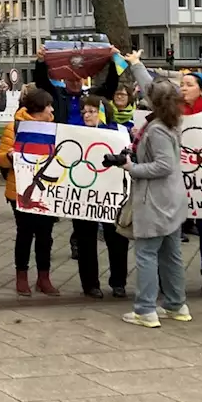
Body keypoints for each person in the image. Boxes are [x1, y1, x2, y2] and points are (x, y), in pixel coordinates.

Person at [130, 61, 202, 296]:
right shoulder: (171, 115)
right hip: (177, 183)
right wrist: (137, 66)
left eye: (189, 85)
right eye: (181, 84)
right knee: (171, 244)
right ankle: (169, 291)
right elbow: (153, 91)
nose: (183, 88)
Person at [119, 68, 191, 328]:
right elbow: (155, 89)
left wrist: (132, 168)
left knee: (147, 254)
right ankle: (175, 304)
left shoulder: (157, 129)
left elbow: (164, 165)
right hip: (171, 200)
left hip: (155, 200)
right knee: (171, 254)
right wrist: (137, 66)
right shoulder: (171, 121)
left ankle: (145, 309)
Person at [0, 87, 59, 296]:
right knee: (25, 234)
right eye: (48, 105)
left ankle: (44, 277)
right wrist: (11, 156)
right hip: (20, 190)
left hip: (47, 189)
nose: (52, 109)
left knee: (45, 236)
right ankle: (21, 277)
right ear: (37, 109)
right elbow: (0, 157)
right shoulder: (14, 127)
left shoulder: (55, 128)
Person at [71, 95, 130, 299]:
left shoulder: (119, 132)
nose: (87, 115)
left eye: (92, 111)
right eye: (84, 111)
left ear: (103, 112)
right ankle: (90, 284)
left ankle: (119, 282)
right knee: (85, 239)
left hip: (112, 193)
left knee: (118, 239)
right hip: (85, 194)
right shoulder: (75, 132)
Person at [32, 45, 120, 126]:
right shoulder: (56, 94)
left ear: (83, 79)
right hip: (62, 136)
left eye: (78, 80)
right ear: (64, 79)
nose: (75, 83)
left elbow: (111, 86)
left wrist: (115, 60)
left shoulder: (92, 96)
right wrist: (40, 61)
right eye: (71, 80)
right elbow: (41, 82)